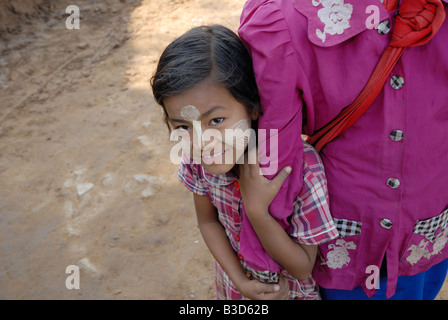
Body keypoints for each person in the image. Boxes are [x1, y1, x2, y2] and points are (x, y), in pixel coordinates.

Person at [238, 0, 448, 299]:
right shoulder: (284, 23)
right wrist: (272, 262)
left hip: (418, 228)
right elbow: (274, 160)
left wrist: (268, 267)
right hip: (373, 235)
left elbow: (273, 165)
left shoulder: (286, 20)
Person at [151, 25, 338, 300]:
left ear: (251, 106)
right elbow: (208, 222)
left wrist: (257, 211)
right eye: (183, 126)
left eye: (215, 120)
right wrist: (239, 281)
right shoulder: (195, 158)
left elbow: (301, 267)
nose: (202, 141)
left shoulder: (299, 168)